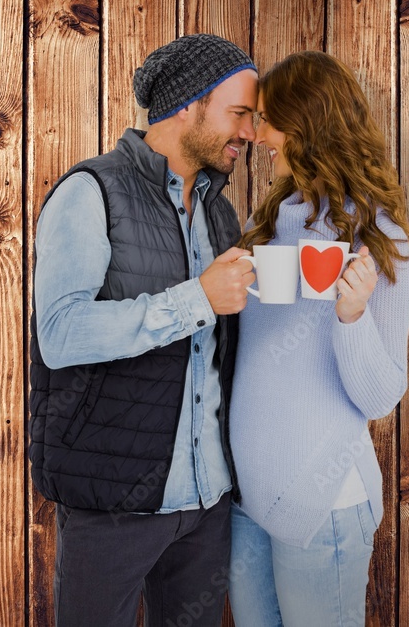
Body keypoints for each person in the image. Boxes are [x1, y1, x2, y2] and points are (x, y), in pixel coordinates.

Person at [28, 33, 258, 626]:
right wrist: (194, 301)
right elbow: (60, 333)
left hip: (207, 502)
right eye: (239, 114)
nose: (250, 134)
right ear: (189, 105)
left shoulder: (219, 210)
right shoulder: (90, 193)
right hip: (112, 502)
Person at [227, 50, 409, 626]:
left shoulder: (378, 235)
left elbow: (382, 397)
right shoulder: (272, 216)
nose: (257, 136)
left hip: (324, 503)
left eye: (266, 120)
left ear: (305, 125)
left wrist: (352, 315)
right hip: (249, 500)